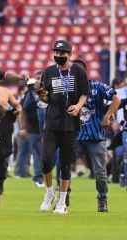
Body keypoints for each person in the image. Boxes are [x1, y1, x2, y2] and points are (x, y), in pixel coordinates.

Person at [37, 40, 89, 214]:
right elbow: (46, 98)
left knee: (65, 164)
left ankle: (62, 202)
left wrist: (78, 106)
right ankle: (49, 193)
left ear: (69, 54)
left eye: (62, 53)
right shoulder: (49, 72)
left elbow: (84, 93)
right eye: (56, 52)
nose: (58, 55)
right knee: (46, 161)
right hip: (51, 122)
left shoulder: (78, 71)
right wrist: (42, 95)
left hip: (70, 124)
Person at [75, 59, 120, 212]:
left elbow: (116, 99)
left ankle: (102, 199)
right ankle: (63, 200)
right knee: (64, 168)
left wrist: (107, 116)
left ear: (85, 73)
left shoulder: (97, 86)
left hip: (95, 136)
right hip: (74, 136)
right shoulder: (67, 90)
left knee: (100, 172)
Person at [0, 80, 21, 194]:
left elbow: (17, 105)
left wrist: (17, 111)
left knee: (3, 154)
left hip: (4, 124)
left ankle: (0, 180)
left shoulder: (5, 91)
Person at [16, 78, 44, 188]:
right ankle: (36, 176)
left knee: (36, 153)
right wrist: (23, 128)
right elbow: (23, 112)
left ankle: (35, 174)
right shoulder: (29, 96)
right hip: (33, 129)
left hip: (38, 129)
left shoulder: (31, 96)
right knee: (35, 153)